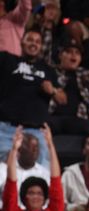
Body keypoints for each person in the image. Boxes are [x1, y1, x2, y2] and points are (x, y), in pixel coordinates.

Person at [0, 29, 57, 163]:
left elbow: (63, 98)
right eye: (30, 40)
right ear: (21, 42)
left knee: (44, 175)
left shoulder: (48, 70)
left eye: (38, 42)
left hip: (37, 132)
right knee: (3, 174)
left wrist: (53, 91)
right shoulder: (6, 60)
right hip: (7, 129)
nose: (34, 44)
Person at [47, 39, 89, 135]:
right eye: (69, 52)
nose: (73, 55)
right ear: (60, 55)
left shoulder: (86, 74)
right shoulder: (50, 70)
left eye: (77, 53)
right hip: (54, 116)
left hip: (78, 118)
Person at [0, 132, 50, 209]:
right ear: (19, 150)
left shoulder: (44, 173)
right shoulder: (3, 169)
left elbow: (50, 200)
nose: (35, 152)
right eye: (32, 148)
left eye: (37, 148)